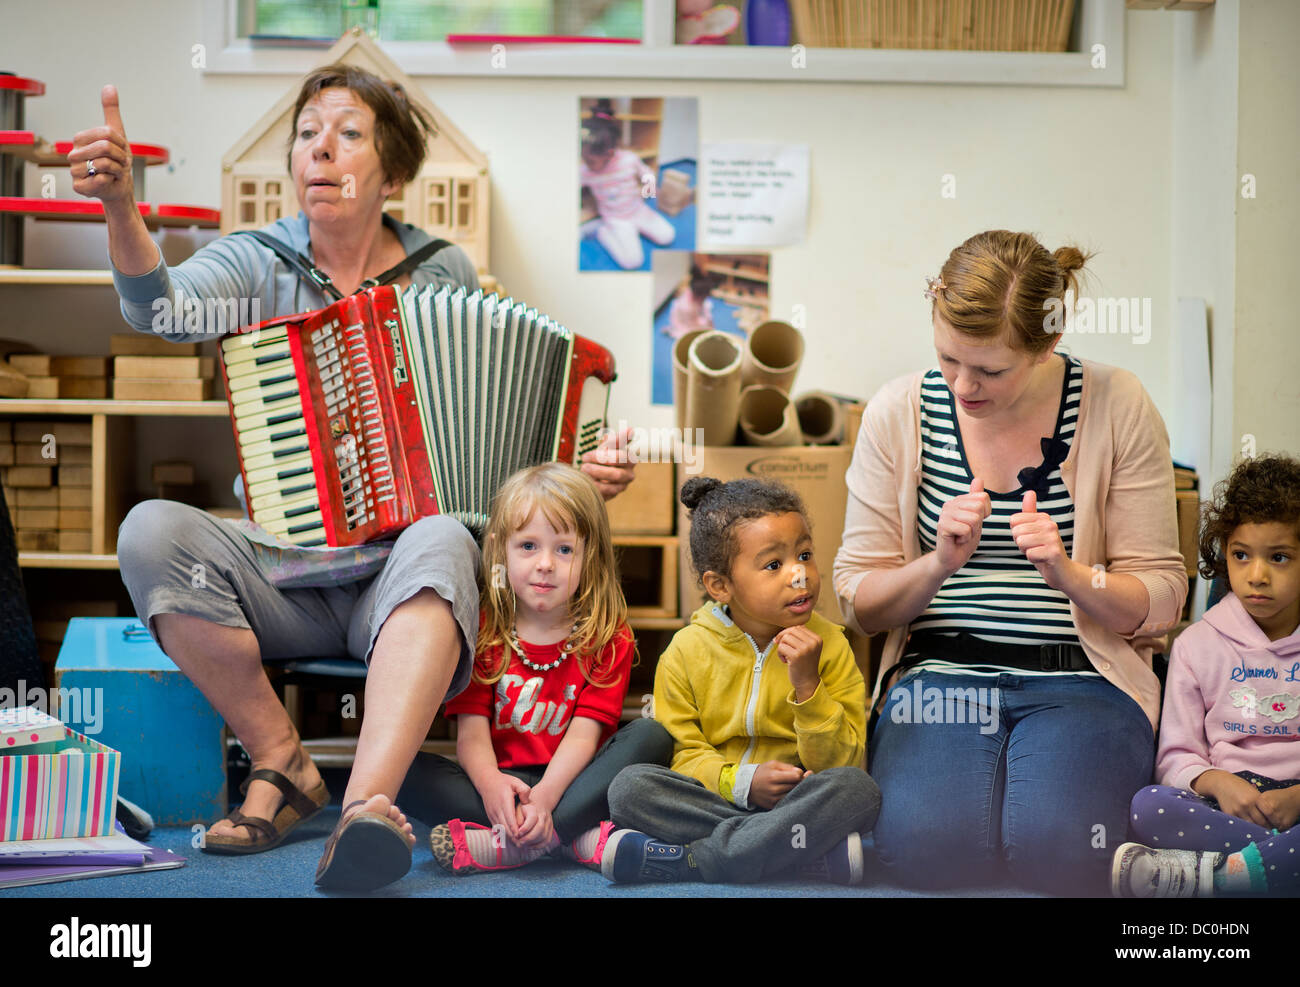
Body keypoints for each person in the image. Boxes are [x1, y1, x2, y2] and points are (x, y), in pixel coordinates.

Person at [69, 65, 636, 892]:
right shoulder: (254, 261)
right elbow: (159, 310)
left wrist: (572, 476)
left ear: (392, 172)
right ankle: (281, 758)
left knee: (444, 533)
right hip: (280, 575)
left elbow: (499, 451)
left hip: (403, 586)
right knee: (149, 531)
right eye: (306, 133)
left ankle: (366, 809)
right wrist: (122, 206)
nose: (319, 150)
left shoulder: (443, 272)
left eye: (347, 133)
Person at [833, 230, 1188, 895]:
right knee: (924, 851)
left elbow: (1165, 594)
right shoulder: (898, 411)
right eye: (947, 360)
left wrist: (1071, 576)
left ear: (1048, 343)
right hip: (941, 674)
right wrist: (936, 564)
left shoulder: (1118, 402)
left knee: (1064, 851)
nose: (964, 385)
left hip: (1084, 676)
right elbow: (857, 598)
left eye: (990, 370)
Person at [396, 463, 672, 875]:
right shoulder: (482, 628)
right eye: (528, 546)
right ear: (500, 549)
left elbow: (584, 737)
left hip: (575, 781)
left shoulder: (607, 634)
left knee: (652, 736)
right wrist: (492, 786)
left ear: (589, 555)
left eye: (564, 549)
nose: (545, 563)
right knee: (401, 769)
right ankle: (572, 838)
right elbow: (470, 736)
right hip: (502, 783)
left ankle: (517, 844)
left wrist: (545, 800)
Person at [603, 476, 880, 885]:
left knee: (858, 790)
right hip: (715, 798)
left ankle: (695, 860)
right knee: (629, 788)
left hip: (797, 801)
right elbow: (682, 753)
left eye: (804, 554)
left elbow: (845, 762)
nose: (799, 575)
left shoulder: (834, 646)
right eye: (774, 565)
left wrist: (808, 688)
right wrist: (742, 783)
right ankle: (792, 855)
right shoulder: (685, 651)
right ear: (720, 586)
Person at [1112, 454, 1300, 897]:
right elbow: (1176, 757)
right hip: (1225, 800)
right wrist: (1218, 782)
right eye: (1241, 555)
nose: (1257, 576)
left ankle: (1216, 878)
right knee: (1149, 807)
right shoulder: (1197, 644)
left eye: (1279, 557)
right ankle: (1277, 865)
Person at [579, 99, 675, 270]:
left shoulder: (628, 159)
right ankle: (603, 232)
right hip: (616, 219)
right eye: (584, 158)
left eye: (591, 160)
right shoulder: (585, 171)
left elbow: (647, 175)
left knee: (668, 236)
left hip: (638, 210)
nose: (586, 163)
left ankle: (632, 231)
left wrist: (649, 193)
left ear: (610, 153)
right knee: (632, 262)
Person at [663, 267, 718, 340]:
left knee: (707, 315)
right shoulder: (687, 307)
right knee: (692, 335)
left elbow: (705, 313)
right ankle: (671, 330)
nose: (705, 299)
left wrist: (709, 322)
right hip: (684, 319)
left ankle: (671, 329)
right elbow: (695, 324)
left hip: (691, 310)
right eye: (704, 298)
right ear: (698, 297)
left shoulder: (693, 290)